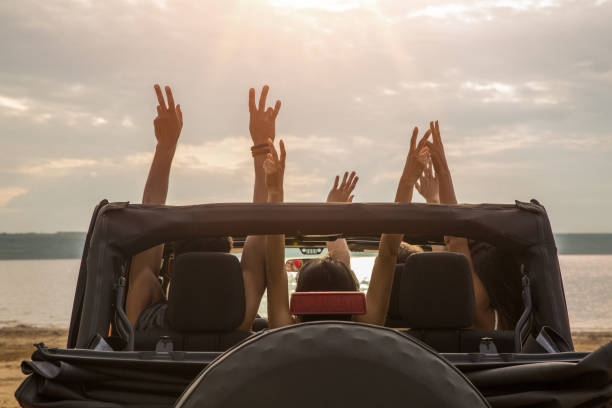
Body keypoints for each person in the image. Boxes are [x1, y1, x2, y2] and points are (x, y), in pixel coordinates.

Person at [126, 84, 281, 332]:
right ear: (228, 265)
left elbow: (150, 216)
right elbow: (260, 225)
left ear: (174, 267)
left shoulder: (145, 315)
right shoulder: (240, 318)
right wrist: (262, 143)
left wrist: (166, 145)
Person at [263, 125, 432, 328]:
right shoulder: (368, 328)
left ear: (298, 302)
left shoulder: (285, 333)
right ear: (354, 299)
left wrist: (274, 190)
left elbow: (274, 269)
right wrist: (408, 180)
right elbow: (388, 253)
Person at [415, 120, 498, 330]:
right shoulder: (510, 321)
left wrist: (443, 171)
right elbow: (451, 249)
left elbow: (456, 246)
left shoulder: (479, 312)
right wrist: (433, 199)